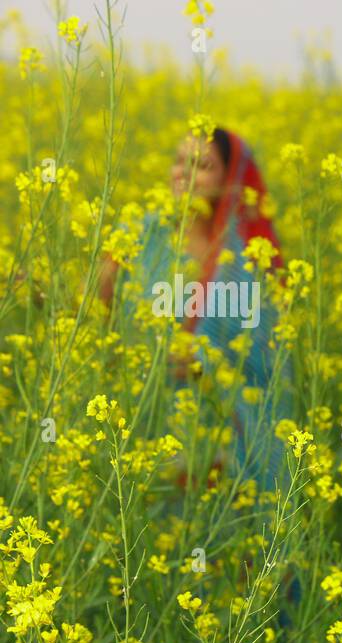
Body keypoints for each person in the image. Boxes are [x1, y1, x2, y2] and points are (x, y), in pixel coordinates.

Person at [99, 126, 293, 501]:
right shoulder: (138, 235)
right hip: (140, 423)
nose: (182, 174)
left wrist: (204, 361)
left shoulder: (247, 261)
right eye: (178, 161)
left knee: (214, 535)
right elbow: (89, 309)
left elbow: (269, 361)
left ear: (230, 179)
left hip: (221, 438)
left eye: (201, 165)